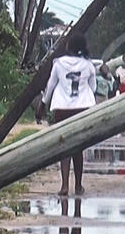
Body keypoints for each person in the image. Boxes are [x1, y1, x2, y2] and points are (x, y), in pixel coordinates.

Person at [41, 31, 97, 196]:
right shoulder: (88, 66)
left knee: (64, 146)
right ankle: (78, 186)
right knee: (78, 148)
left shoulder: (59, 64)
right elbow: (92, 89)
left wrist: (42, 105)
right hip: (82, 109)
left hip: (62, 109)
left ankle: (64, 185)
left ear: (68, 46)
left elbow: (50, 86)